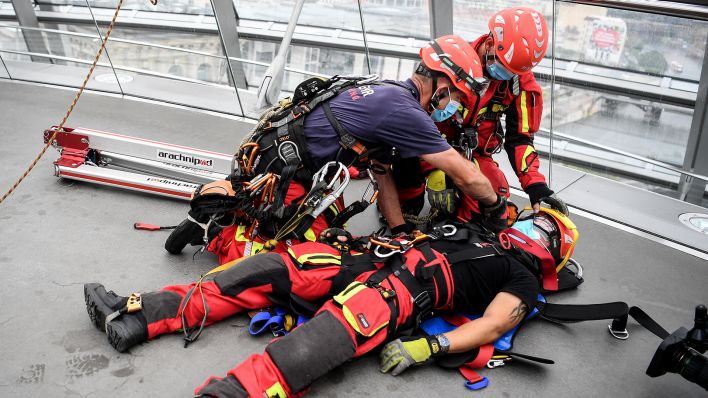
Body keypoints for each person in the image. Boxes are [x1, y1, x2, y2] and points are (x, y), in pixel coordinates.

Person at [83, 208, 578, 396]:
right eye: (538, 219)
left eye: (546, 230)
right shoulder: (485, 231)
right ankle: (134, 316)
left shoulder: (524, 275)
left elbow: (493, 325)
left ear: (553, 252)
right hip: (368, 256)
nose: (535, 227)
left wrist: (431, 347)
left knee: (319, 340)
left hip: (400, 293)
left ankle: (233, 394)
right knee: (263, 270)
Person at [167, 34, 508, 264]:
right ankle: (220, 226)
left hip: (291, 160)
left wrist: (401, 230)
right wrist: (496, 205)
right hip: (287, 173)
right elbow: (464, 175)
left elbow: (382, 172)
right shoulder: (406, 112)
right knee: (311, 263)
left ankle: (226, 207)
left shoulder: (387, 89)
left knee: (333, 230)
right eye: (459, 96)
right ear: (441, 82)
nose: (457, 107)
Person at [392, 7, 567, 227]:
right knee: (405, 176)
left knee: (494, 203)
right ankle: (409, 203)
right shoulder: (451, 59)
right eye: (501, 64)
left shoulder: (520, 84)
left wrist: (536, 187)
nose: (504, 73)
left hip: (475, 155)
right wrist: (438, 166)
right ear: (491, 42)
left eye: (512, 71)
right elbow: (415, 115)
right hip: (430, 145)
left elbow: (521, 139)